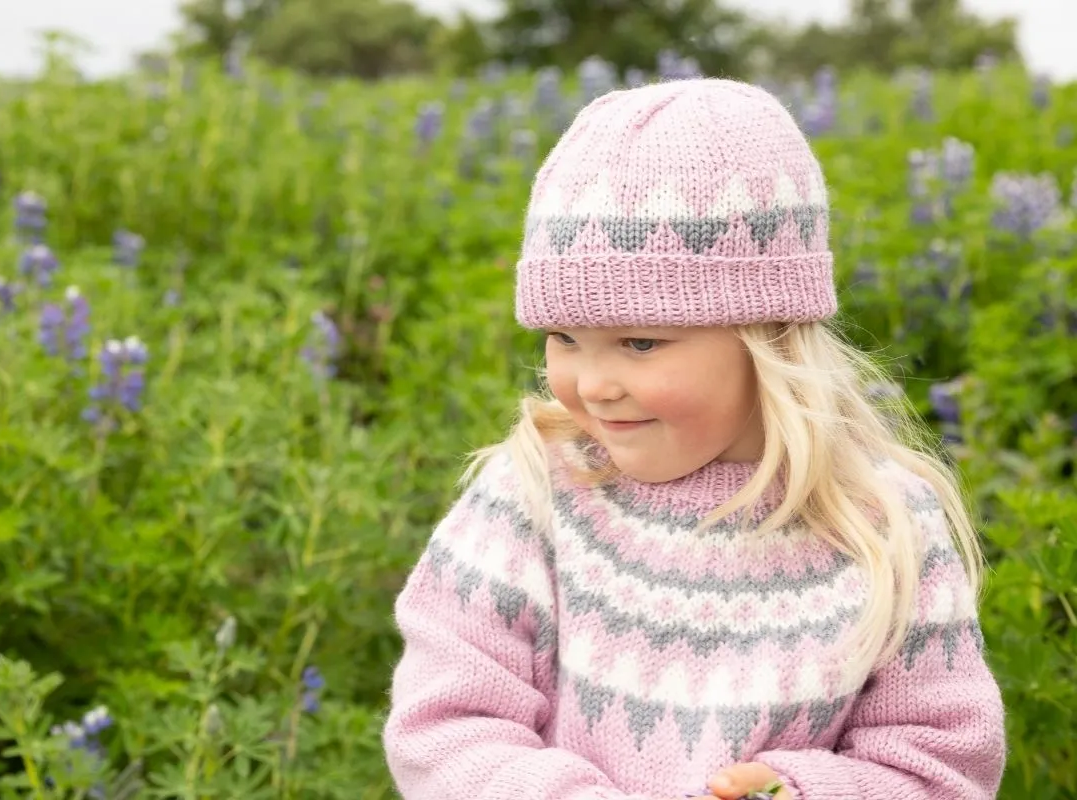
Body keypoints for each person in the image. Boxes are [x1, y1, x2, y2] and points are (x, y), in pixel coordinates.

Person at [381, 78, 1006, 800]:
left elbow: (942, 767)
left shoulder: (879, 523)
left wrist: (799, 792)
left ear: (768, 335)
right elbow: (448, 727)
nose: (592, 383)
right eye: (565, 337)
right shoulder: (534, 496)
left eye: (641, 342)